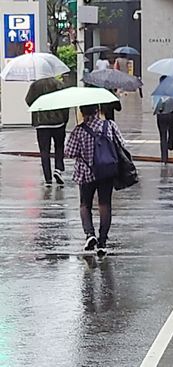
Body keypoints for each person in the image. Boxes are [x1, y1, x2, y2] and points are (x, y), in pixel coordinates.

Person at [64, 104, 126, 255]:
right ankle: (103, 241)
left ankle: (90, 234)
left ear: (81, 112)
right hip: (106, 171)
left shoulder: (79, 130)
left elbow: (69, 152)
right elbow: (122, 144)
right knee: (105, 204)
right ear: (97, 111)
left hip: (86, 173)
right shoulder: (110, 125)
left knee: (85, 204)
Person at [25, 77, 70, 187]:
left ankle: (48, 179)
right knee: (59, 146)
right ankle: (58, 169)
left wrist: (38, 108)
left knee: (44, 150)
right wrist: (65, 119)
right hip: (58, 121)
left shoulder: (35, 86)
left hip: (42, 123)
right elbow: (65, 102)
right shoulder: (59, 84)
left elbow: (28, 100)